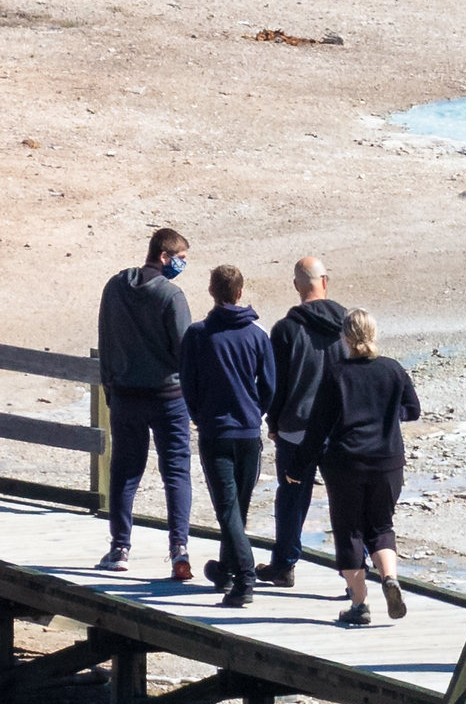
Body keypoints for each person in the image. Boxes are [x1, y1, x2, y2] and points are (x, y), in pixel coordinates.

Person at [90, 224, 197, 585]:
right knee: (176, 472)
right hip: (168, 397)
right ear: (164, 256)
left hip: (125, 395)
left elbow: (105, 338)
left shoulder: (115, 286)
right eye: (180, 259)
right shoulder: (172, 296)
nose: (182, 266)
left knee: (125, 471)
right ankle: (179, 548)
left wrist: (109, 386)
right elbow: (186, 352)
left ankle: (119, 548)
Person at [175, 263, 278, 602]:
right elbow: (269, 386)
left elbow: (187, 384)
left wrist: (199, 415)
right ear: (240, 292)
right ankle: (226, 570)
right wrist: (255, 413)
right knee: (236, 508)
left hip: (216, 431)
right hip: (248, 433)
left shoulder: (199, 334)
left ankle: (243, 580)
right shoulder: (257, 336)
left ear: (211, 292)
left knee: (229, 508)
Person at [317, 307, 423, 624]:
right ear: (373, 334)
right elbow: (413, 410)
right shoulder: (392, 370)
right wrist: (388, 418)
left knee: (349, 531)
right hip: (387, 462)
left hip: (345, 462)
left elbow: (317, 427)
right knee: (381, 526)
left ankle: (360, 606)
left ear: (345, 338)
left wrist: (298, 466)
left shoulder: (335, 373)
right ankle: (389, 577)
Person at [257, 258, 353, 592]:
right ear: (325, 281)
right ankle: (355, 575)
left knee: (292, 497)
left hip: (297, 427)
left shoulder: (285, 329)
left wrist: (272, 421)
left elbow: (276, 384)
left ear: (297, 285)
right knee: (346, 500)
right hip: (341, 428)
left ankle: (284, 565)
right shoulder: (350, 324)